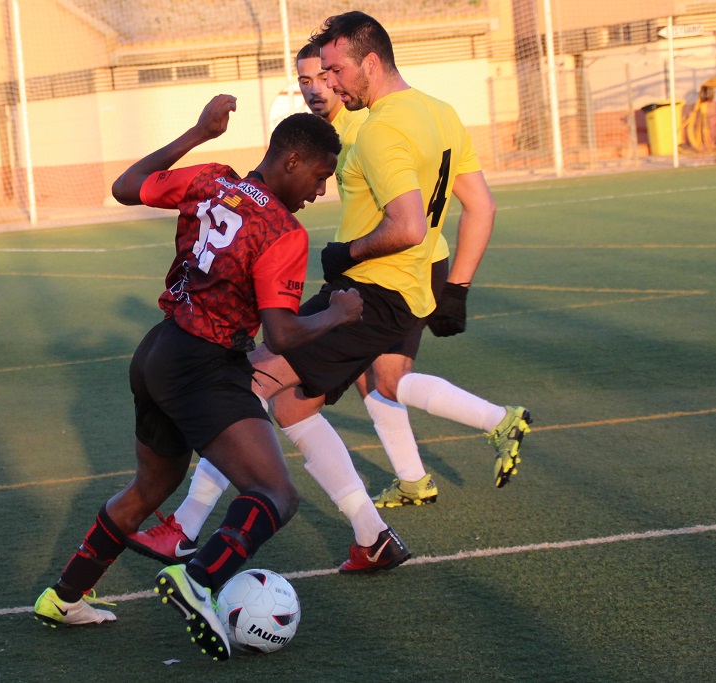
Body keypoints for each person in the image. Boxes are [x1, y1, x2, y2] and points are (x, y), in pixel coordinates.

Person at [131, 12, 529, 574]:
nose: (326, 85)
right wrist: (455, 287)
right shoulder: (438, 111)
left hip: (375, 287)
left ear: (370, 64)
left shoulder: (377, 128)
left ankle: (185, 528)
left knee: (248, 383)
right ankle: (376, 533)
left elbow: (408, 224)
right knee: (308, 402)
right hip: (413, 281)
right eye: (313, 78)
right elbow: (480, 206)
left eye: (332, 73)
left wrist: (346, 254)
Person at [32, 94, 362, 661]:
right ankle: (198, 579)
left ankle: (63, 597)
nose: (319, 191)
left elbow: (126, 186)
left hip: (157, 351)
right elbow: (281, 335)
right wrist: (337, 313)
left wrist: (198, 132)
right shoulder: (283, 231)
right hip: (204, 365)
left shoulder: (211, 178)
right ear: (292, 161)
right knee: (276, 494)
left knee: (149, 489)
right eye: (319, 176)